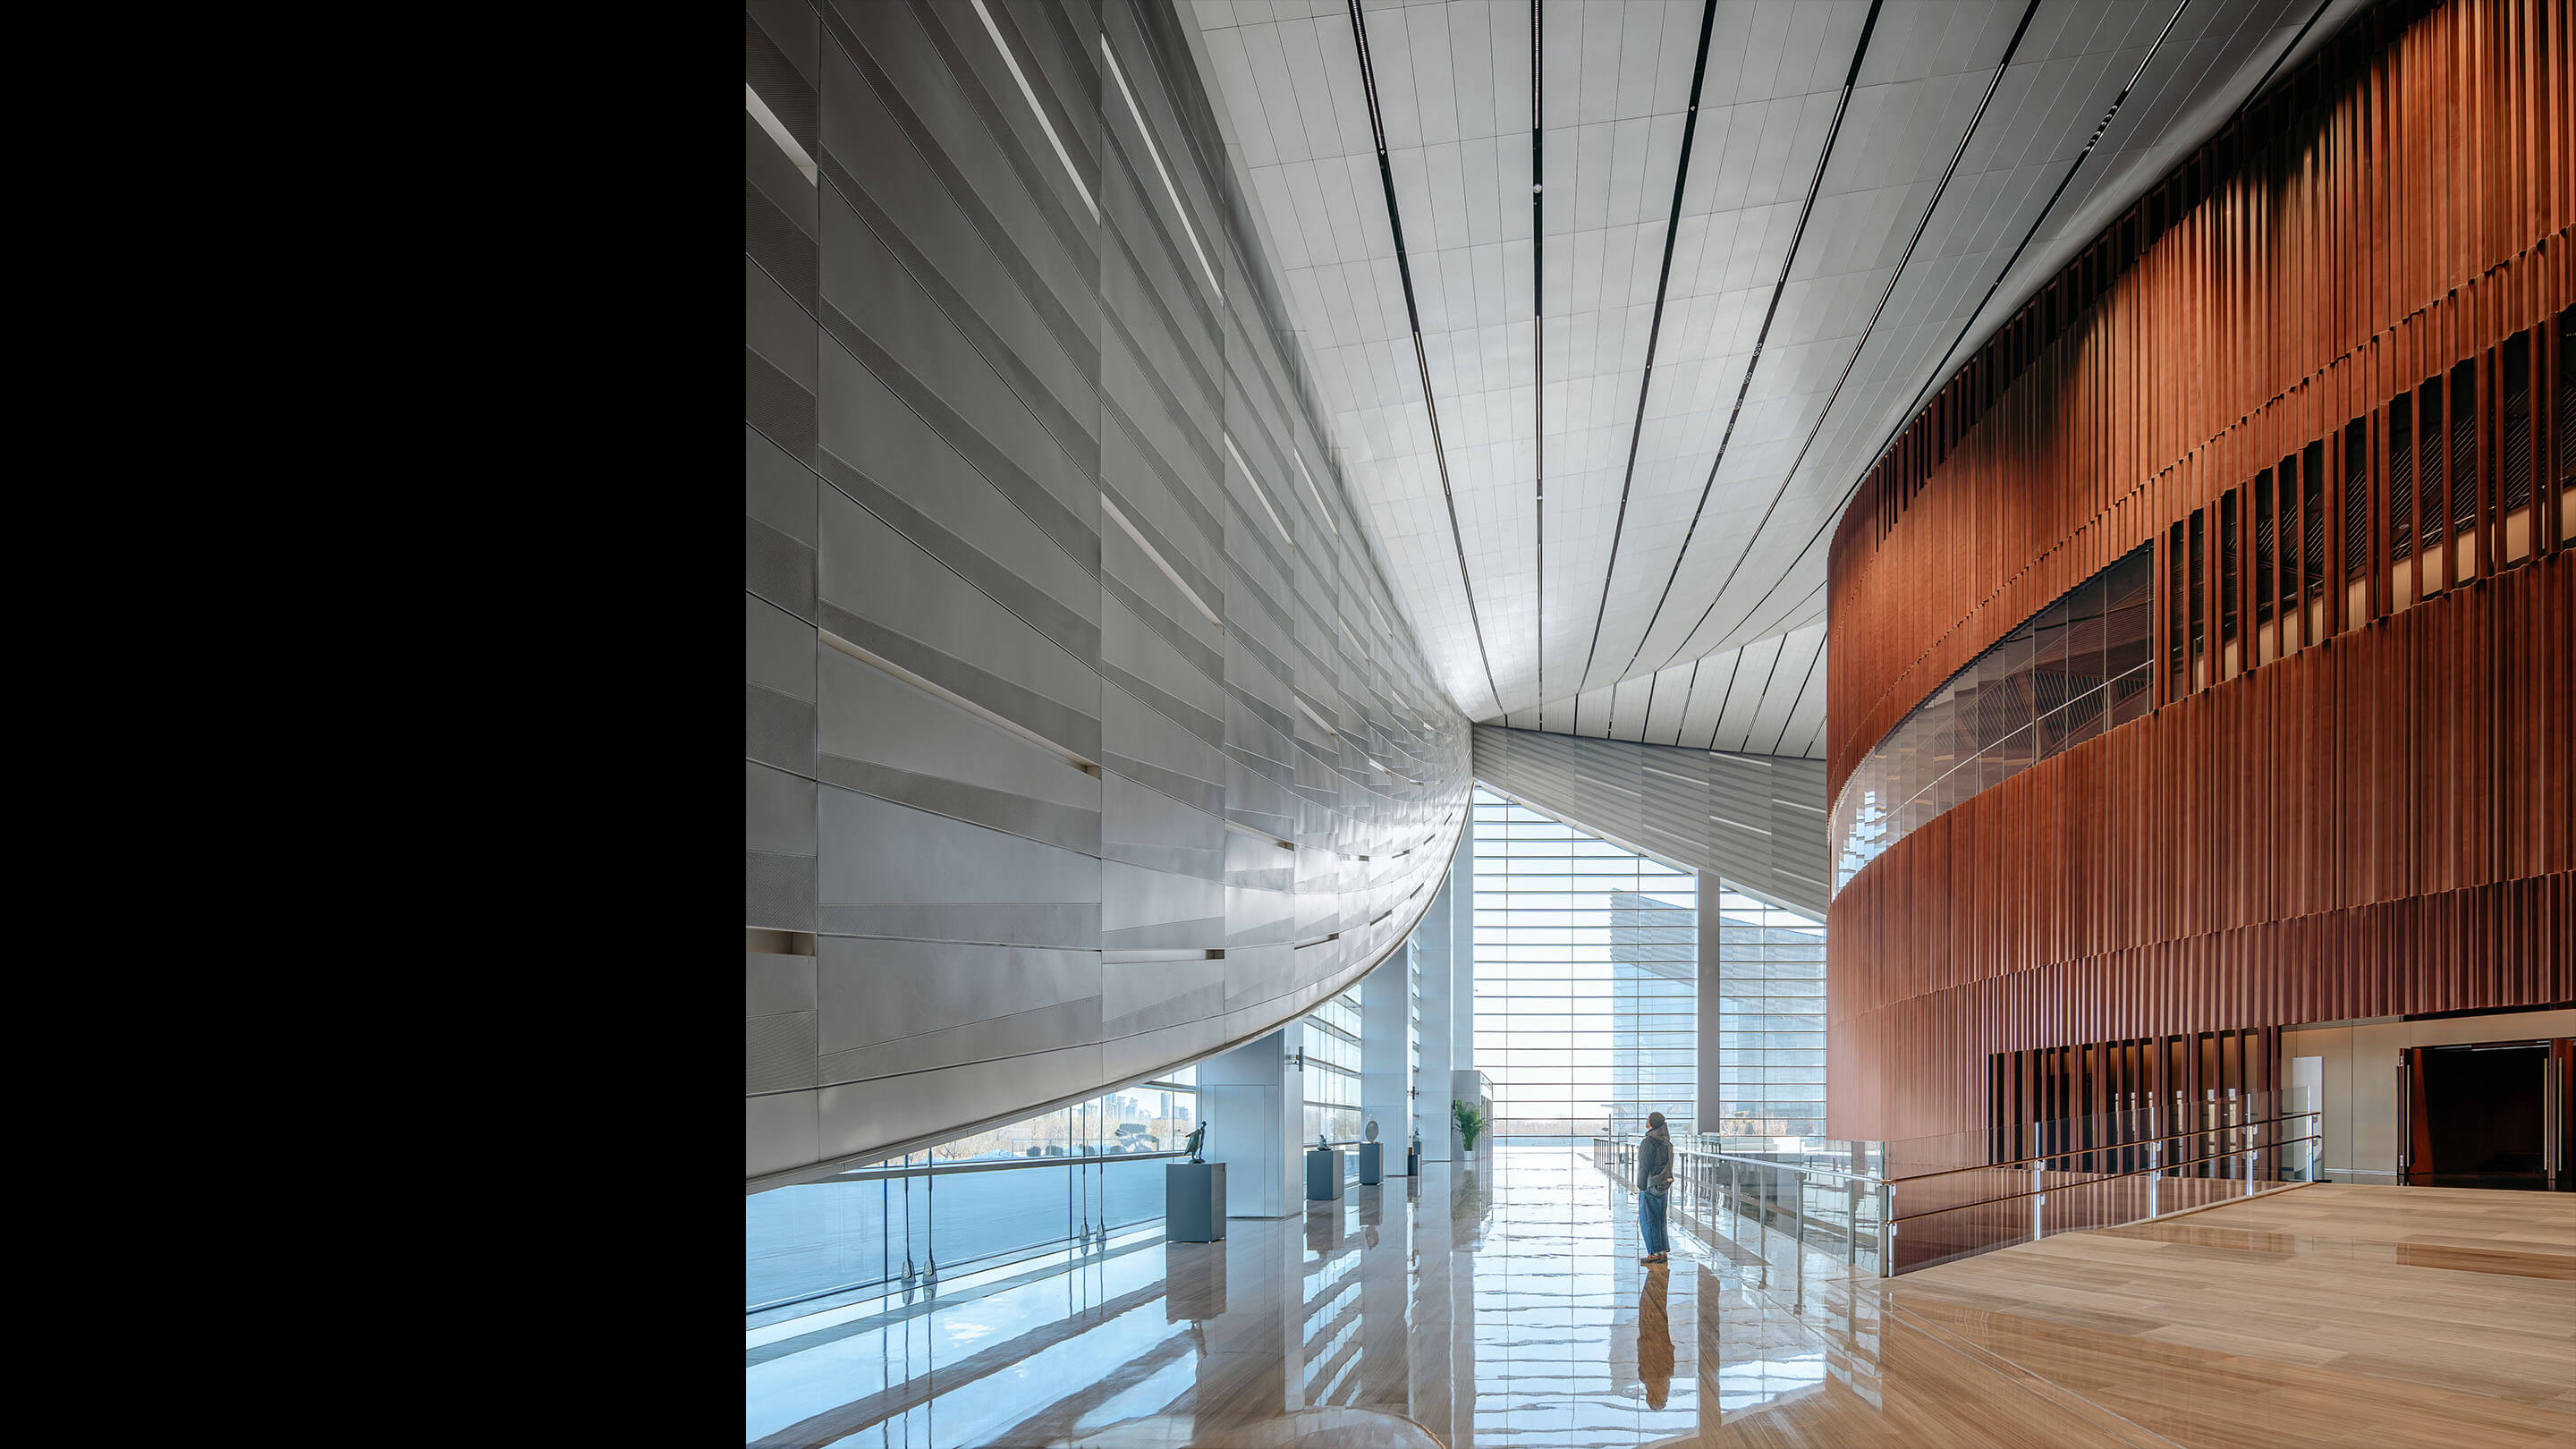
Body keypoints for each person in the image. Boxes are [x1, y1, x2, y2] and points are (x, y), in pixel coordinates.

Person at [1637, 1111, 1674, 1265]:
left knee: (1649, 1218)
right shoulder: (1666, 1141)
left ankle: (1654, 1253)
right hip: (1663, 1183)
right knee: (1660, 1218)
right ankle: (1662, 1251)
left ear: (1651, 1123)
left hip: (1650, 1184)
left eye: (1648, 1119)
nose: (1646, 1121)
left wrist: (1641, 1185)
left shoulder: (1649, 1142)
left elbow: (1644, 1166)